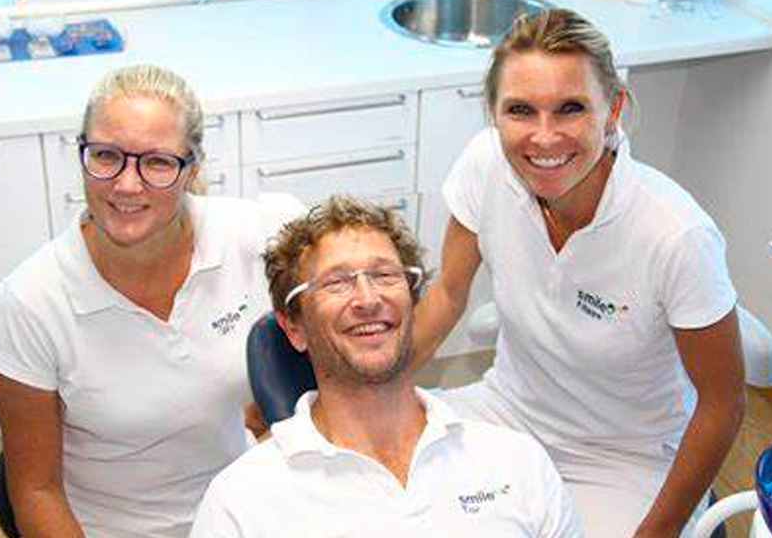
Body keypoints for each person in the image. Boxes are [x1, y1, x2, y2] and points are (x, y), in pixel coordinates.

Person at [411, 8, 746, 538]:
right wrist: (362, 398)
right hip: (507, 410)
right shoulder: (486, 165)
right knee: (376, 482)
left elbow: (723, 404)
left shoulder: (676, 234)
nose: (544, 138)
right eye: (520, 110)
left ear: (613, 109)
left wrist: (654, 535)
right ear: (493, 113)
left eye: (570, 108)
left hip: (629, 459)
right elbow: (448, 293)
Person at [0, 64, 302, 538]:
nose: (127, 184)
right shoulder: (30, 303)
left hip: (238, 513)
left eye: (157, 162)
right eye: (106, 156)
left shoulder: (254, 234)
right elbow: (36, 491)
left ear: (192, 169)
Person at [189, 195, 582, 538]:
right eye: (336, 282)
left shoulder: (516, 463)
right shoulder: (242, 503)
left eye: (384, 275)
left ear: (412, 302)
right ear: (294, 327)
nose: (368, 299)